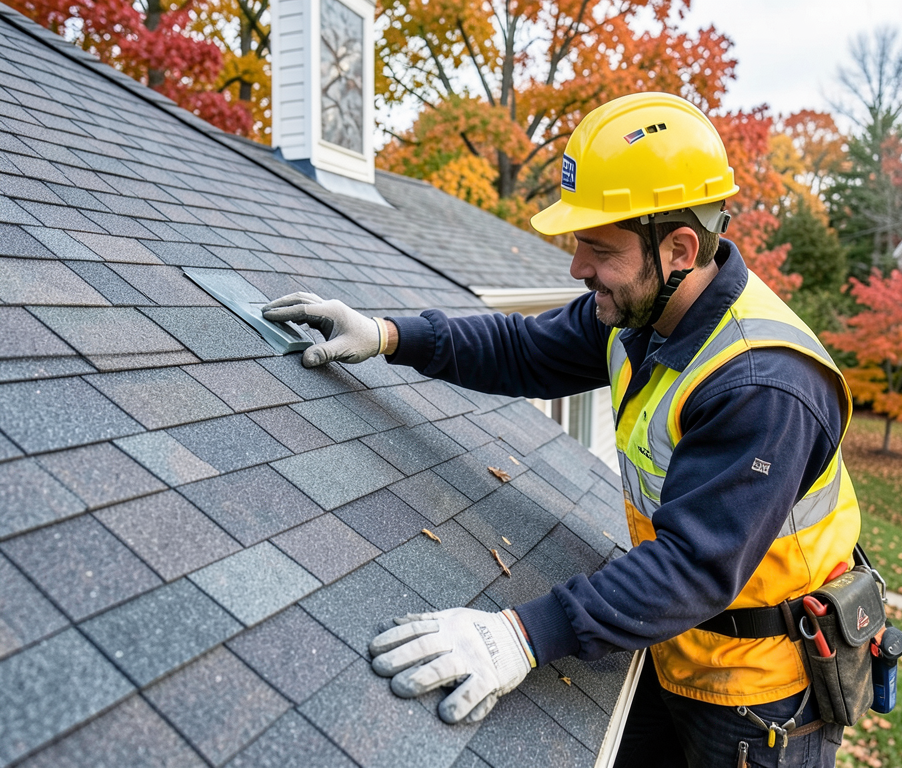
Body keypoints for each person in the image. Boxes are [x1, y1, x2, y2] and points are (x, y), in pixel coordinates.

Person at [263, 92, 860, 767]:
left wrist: (522, 636)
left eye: (598, 248)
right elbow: (524, 349)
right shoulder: (642, 315)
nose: (577, 267)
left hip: (761, 701)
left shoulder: (761, 386)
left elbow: (692, 567)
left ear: (680, 248)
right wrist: (388, 336)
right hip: (673, 646)